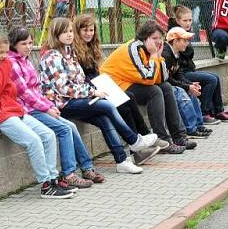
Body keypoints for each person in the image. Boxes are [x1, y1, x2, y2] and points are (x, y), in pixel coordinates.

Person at [39, 17, 157, 174]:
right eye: (64, 32)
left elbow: (80, 80)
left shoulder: (69, 54)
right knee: (107, 105)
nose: (69, 35)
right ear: (55, 34)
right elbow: (64, 89)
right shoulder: (52, 57)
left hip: (78, 99)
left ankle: (121, 161)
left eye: (69, 31)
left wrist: (93, 90)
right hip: (62, 104)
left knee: (105, 118)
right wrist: (92, 92)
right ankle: (134, 140)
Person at [0, 31, 74, 199]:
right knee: (33, 141)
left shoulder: (0, 65)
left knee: (48, 135)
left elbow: (11, 91)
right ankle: (46, 184)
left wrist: (3, 71)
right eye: (0, 53)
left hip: (13, 110)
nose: (4, 56)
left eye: (6, 52)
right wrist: (4, 70)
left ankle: (53, 178)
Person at [7, 27, 104, 189]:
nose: (28, 46)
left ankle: (87, 168)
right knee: (64, 129)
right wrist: (47, 108)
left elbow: (37, 90)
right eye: (23, 43)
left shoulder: (25, 61)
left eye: (30, 43)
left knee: (71, 126)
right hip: (27, 110)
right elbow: (24, 93)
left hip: (38, 106)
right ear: (13, 45)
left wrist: (48, 105)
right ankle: (69, 174)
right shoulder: (13, 64)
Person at [72, 13, 166, 164]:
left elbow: (95, 74)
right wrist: (98, 89)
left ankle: (142, 141)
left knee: (129, 97)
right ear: (77, 31)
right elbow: (80, 78)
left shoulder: (90, 47)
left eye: (91, 30)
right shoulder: (74, 51)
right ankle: (137, 146)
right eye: (85, 30)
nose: (89, 34)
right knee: (122, 104)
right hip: (86, 92)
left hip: (98, 86)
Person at [99, 20, 198, 154]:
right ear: (145, 38)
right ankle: (163, 141)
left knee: (166, 87)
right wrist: (153, 55)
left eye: (160, 38)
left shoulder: (152, 50)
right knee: (154, 91)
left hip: (129, 82)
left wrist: (157, 56)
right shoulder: (135, 48)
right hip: (113, 85)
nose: (158, 42)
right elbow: (149, 79)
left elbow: (162, 78)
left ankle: (179, 136)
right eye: (154, 38)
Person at [168, 5, 228, 124]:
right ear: (177, 21)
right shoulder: (175, 34)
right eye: (185, 20)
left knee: (216, 77)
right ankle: (204, 113)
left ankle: (218, 111)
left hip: (188, 70)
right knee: (211, 80)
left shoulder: (184, 32)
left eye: (190, 20)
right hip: (182, 73)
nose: (188, 23)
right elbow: (186, 53)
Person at [163, 26, 213, 139]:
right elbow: (168, 78)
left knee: (191, 91)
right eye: (184, 40)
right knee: (181, 92)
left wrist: (190, 85)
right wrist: (186, 87)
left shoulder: (177, 53)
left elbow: (178, 74)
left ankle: (198, 125)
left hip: (170, 82)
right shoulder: (165, 54)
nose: (187, 43)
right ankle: (190, 129)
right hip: (163, 85)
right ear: (175, 41)